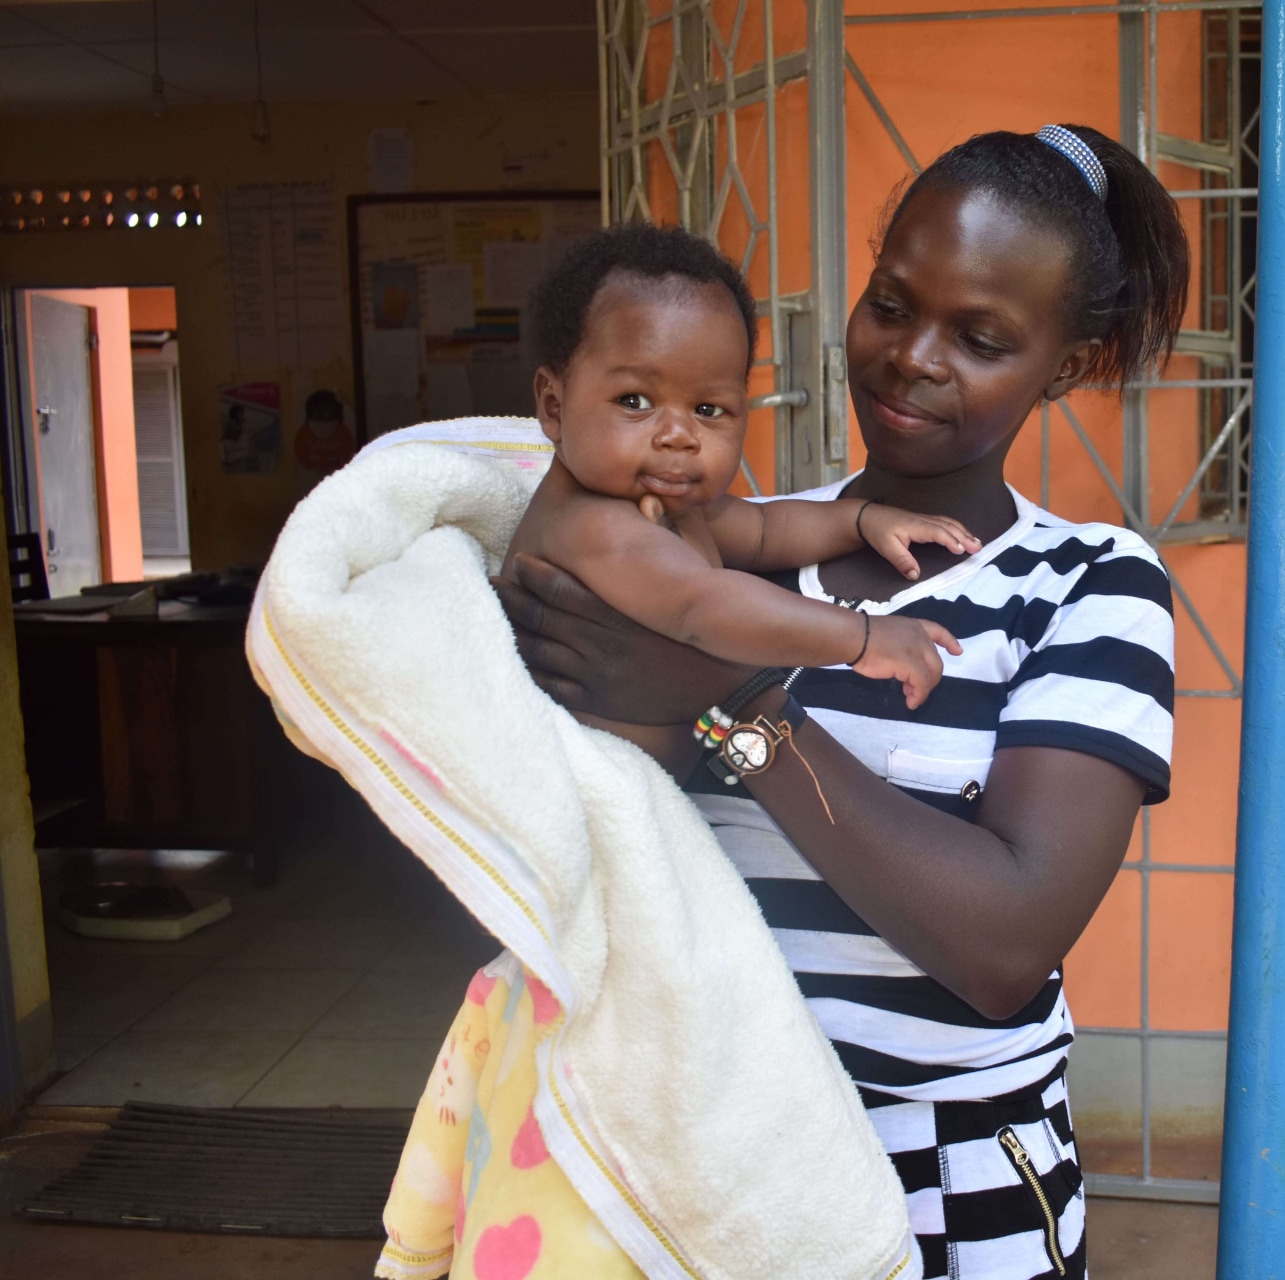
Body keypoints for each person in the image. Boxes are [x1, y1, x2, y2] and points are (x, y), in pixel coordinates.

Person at [497, 123, 1188, 1279]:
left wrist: (733, 705)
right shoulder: (709, 543)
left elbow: (1003, 941)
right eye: (891, 303)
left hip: (942, 1178)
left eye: (979, 336)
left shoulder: (1092, 585)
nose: (913, 356)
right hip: (698, 1164)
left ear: (1064, 366)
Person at [509, 224, 982, 720]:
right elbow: (702, 606)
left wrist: (862, 521)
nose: (679, 435)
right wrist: (862, 636)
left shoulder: (674, 508)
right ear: (553, 406)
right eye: (635, 401)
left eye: (709, 409)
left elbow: (764, 529)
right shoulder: (591, 525)